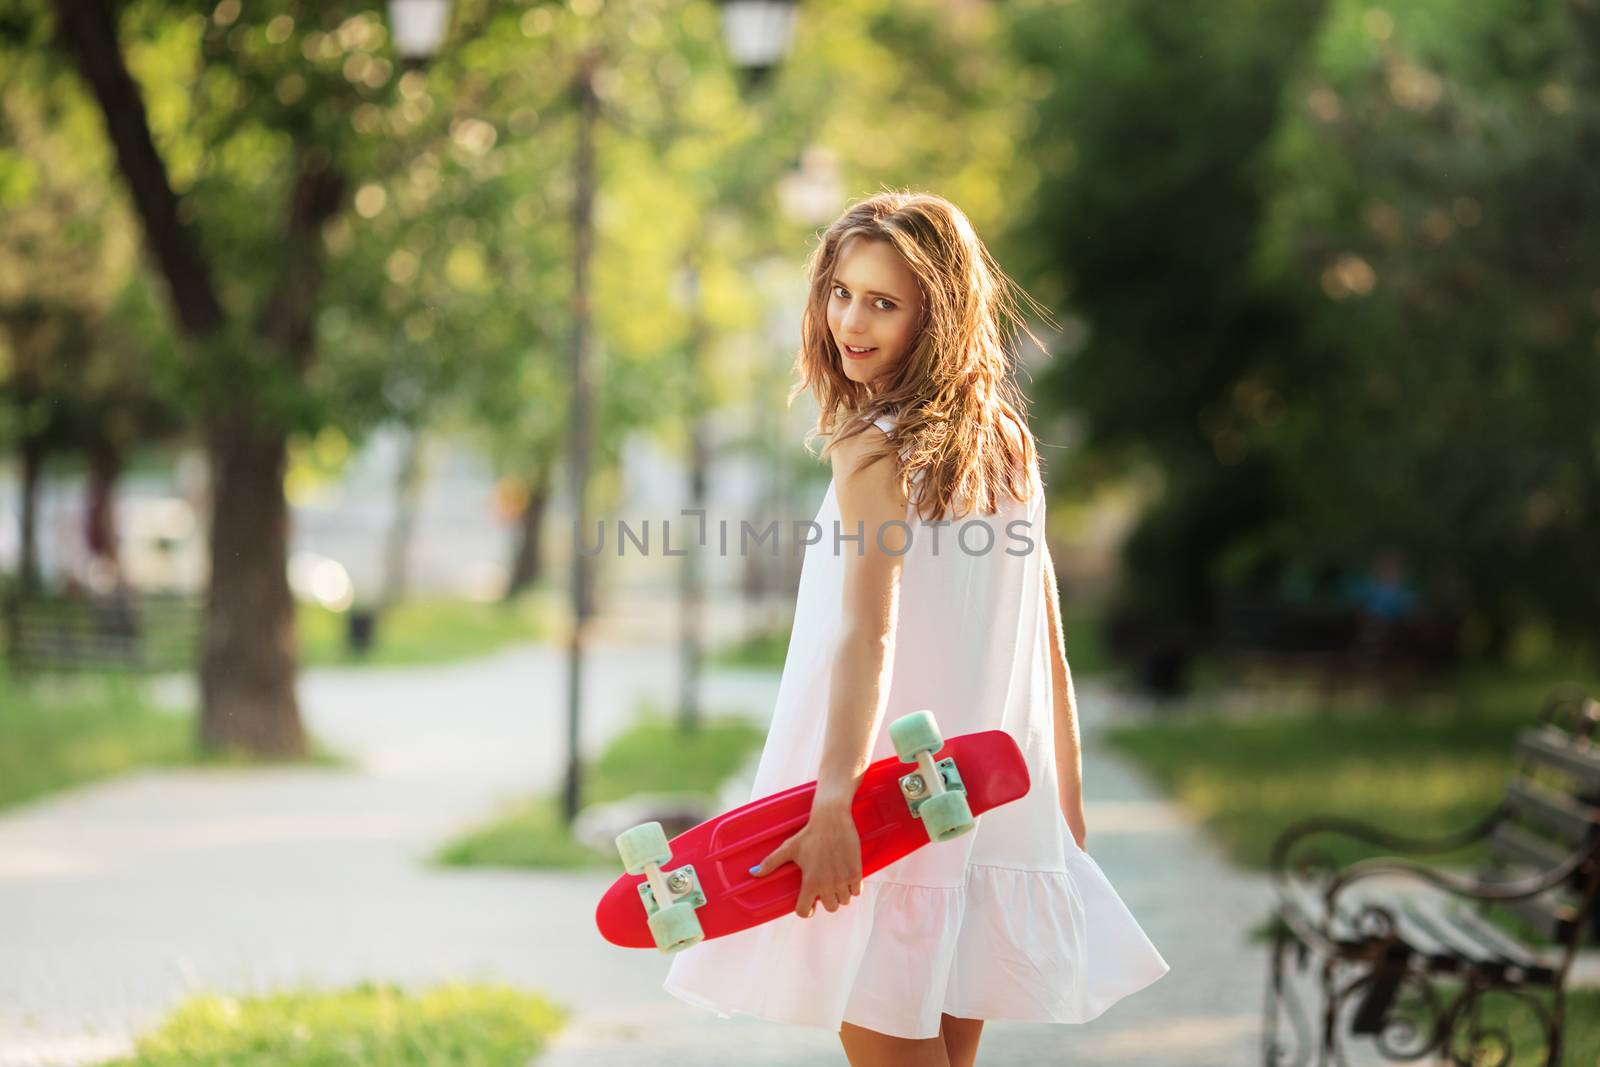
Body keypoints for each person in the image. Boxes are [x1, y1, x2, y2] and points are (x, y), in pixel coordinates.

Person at [664, 191, 1168, 1066]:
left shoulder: (875, 453)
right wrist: (1060, 810)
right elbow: (1045, 642)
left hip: (883, 817)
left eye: (884, 302)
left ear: (936, 315)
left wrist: (831, 806)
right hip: (976, 810)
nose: (851, 321)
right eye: (841, 292)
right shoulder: (1006, 443)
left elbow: (870, 635)